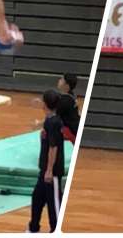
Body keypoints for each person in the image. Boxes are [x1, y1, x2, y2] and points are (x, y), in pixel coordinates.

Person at [28, 89, 64, 233]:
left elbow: (53, 148)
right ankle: (33, 229)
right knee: (37, 199)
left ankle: (56, 230)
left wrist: (49, 170)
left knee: (54, 205)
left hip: (51, 172)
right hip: (44, 171)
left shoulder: (54, 123)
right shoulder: (50, 120)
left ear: (46, 104)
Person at [57, 73, 80, 143]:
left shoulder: (64, 101)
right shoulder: (71, 95)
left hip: (71, 133)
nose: (59, 80)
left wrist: (39, 123)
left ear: (66, 86)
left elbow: (53, 117)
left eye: (62, 80)